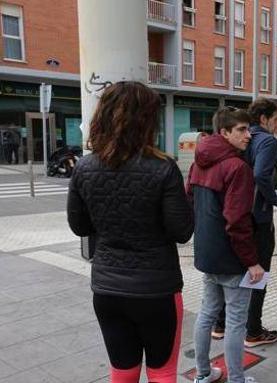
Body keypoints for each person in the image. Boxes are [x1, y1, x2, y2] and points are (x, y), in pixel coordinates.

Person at [67, 81, 193, 383]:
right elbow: (182, 231)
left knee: (122, 372)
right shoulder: (164, 168)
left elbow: (79, 226)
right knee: (162, 372)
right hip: (156, 289)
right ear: (147, 120)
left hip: (108, 288)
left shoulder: (84, 168)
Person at [188, 107, 262, 383]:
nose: (249, 135)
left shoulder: (199, 163)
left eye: (248, 129)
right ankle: (237, 380)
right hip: (232, 257)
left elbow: (189, 201)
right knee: (235, 321)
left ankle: (203, 374)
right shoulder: (237, 167)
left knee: (207, 313)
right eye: (241, 130)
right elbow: (237, 220)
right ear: (225, 132)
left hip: (207, 251)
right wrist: (252, 261)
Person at [243, 97, 277, 347]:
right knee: (259, 274)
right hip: (258, 216)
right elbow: (261, 175)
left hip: (237, 216)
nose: (276, 126)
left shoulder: (241, 137)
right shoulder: (266, 140)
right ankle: (254, 330)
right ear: (264, 118)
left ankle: (221, 324)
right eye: (275, 120)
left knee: (236, 272)